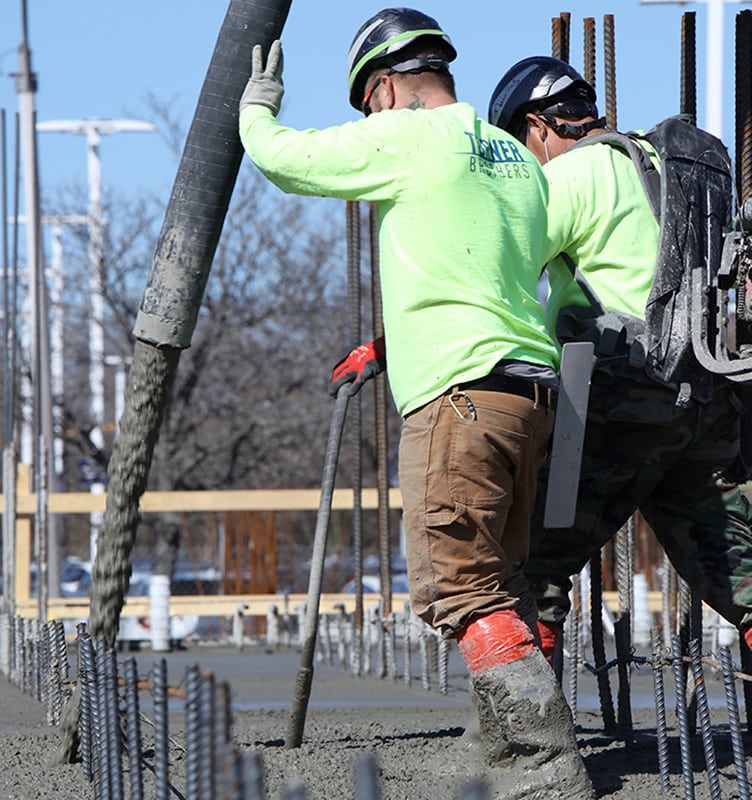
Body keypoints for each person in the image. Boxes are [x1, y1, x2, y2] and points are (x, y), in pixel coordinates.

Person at [238, 10, 594, 798]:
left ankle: (544, 764)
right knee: (505, 579)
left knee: (459, 586)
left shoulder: (404, 134)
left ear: (388, 88)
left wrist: (255, 106)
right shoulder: (513, 156)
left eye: (371, 105)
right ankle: (504, 755)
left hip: (458, 400)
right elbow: (492, 269)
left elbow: (285, 161)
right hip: (531, 395)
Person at [487, 56, 752, 664]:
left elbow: (498, 275)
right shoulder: (664, 164)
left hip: (616, 400)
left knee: (535, 563)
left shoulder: (569, 177)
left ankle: (535, 742)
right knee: (740, 574)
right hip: (707, 395)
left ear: (537, 128)